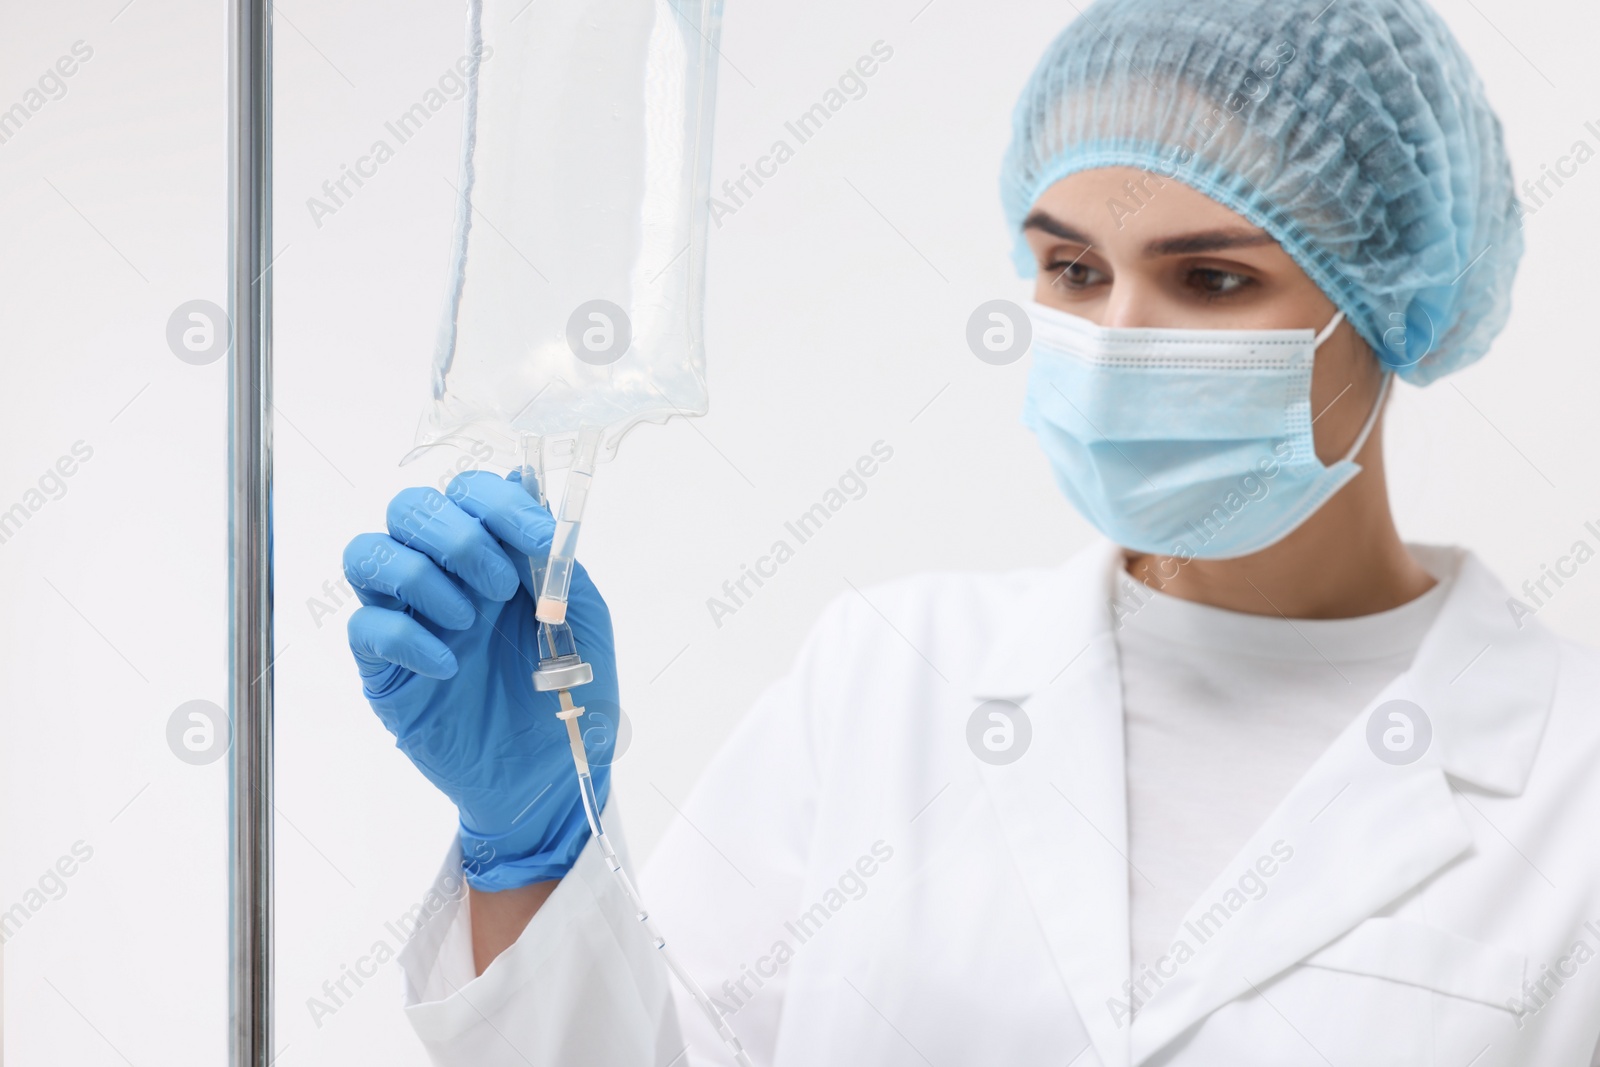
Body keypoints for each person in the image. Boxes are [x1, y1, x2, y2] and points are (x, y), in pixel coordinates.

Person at [343, 0, 1600, 1062]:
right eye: (1071, 269)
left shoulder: (1568, 785)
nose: (1114, 337)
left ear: (1394, 302)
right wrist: (533, 854)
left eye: (1210, 278)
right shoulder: (887, 672)